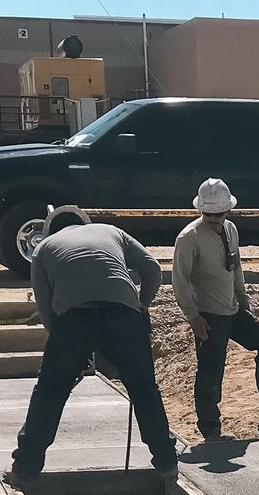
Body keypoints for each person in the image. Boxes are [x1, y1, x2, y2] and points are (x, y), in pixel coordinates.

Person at [12, 205, 183, 480]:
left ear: (51, 230)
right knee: (144, 390)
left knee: (49, 393)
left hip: (74, 319)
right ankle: (167, 463)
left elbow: (45, 309)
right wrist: (140, 307)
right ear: (83, 222)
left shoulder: (44, 249)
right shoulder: (111, 231)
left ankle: (26, 470)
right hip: (124, 316)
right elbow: (152, 268)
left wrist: (67, 347)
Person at [173, 178, 259, 441]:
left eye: (218, 214)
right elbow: (180, 280)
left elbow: (235, 268)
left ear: (227, 211)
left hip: (233, 311)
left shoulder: (231, 229)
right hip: (209, 315)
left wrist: (243, 303)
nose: (213, 218)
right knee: (211, 370)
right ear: (201, 211)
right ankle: (210, 427)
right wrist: (193, 317)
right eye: (208, 214)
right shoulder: (189, 238)